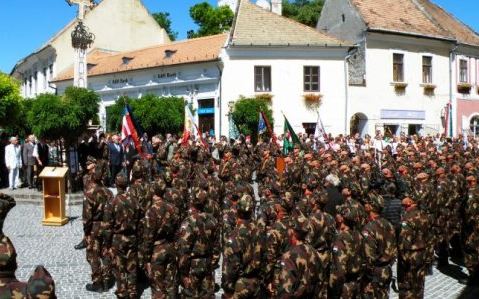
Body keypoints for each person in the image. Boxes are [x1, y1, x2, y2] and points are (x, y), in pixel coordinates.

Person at [104, 172, 139, 298]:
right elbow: (140, 222)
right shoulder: (134, 201)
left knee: (119, 268)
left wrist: (107, 245)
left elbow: (108, 226)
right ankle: (133, 292)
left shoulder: (112, 202)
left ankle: (123, 292)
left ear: (116, 184)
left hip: (118, 239)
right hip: (132, 237)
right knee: (132, 267)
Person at [221, 195, 262, 298]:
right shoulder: (259, 230)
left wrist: (228, 288)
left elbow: (231, 266)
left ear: (238, 210)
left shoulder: (235, 235)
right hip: (257, 284)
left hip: (239, 286)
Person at [362, 191, 397, 299]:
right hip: (386, 269)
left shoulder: (369, 228)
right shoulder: (388, 224)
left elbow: (369, 256)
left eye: (367, 203)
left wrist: (367, 274)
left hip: (375, 274)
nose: (365, 205)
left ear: (371, 207)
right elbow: (393, 249)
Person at [398, 196, 431, 299]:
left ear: (409, 201)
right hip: (422, 253)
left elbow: (404, 242)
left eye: (404, 197)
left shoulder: (407, 218)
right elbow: (430, 237)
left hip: (410, 256)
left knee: (406, 286)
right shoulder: (424, 215)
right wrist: (429, 255)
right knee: (419, 284)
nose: (401, 199)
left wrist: (403, 259)